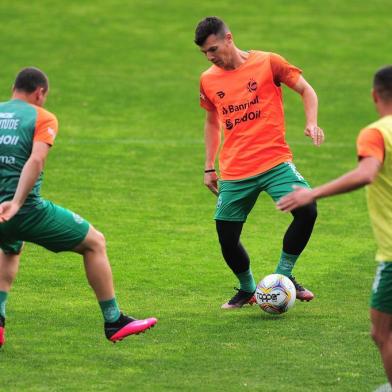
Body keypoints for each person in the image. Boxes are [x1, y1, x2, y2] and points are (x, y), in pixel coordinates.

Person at [0, 67, 157, 347]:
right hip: (23, 211)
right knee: (94, 242)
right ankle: (114, 320)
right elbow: (36, 161)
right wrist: (18, 203)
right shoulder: (42, 117)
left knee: (11, 247)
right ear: (40, 93)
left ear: (14, 89)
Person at [195, 16, 325, 309]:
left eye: (213, 49)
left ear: (229, 38)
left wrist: (311, 122)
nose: (210, 56)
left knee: (307, 209)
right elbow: (211, 121)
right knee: (227, 238)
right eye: (205, 53)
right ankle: (248, 289)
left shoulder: (268, 62)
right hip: (235, 169)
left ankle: (284, 276)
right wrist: (208, 166)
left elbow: (306, 89)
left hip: (274, 161)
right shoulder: (208, 79)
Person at [277, 65, 392, 384]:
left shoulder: (378, 132)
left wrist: (312, 193)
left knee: (382, 334)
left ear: (374, 95)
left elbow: (366, 173)